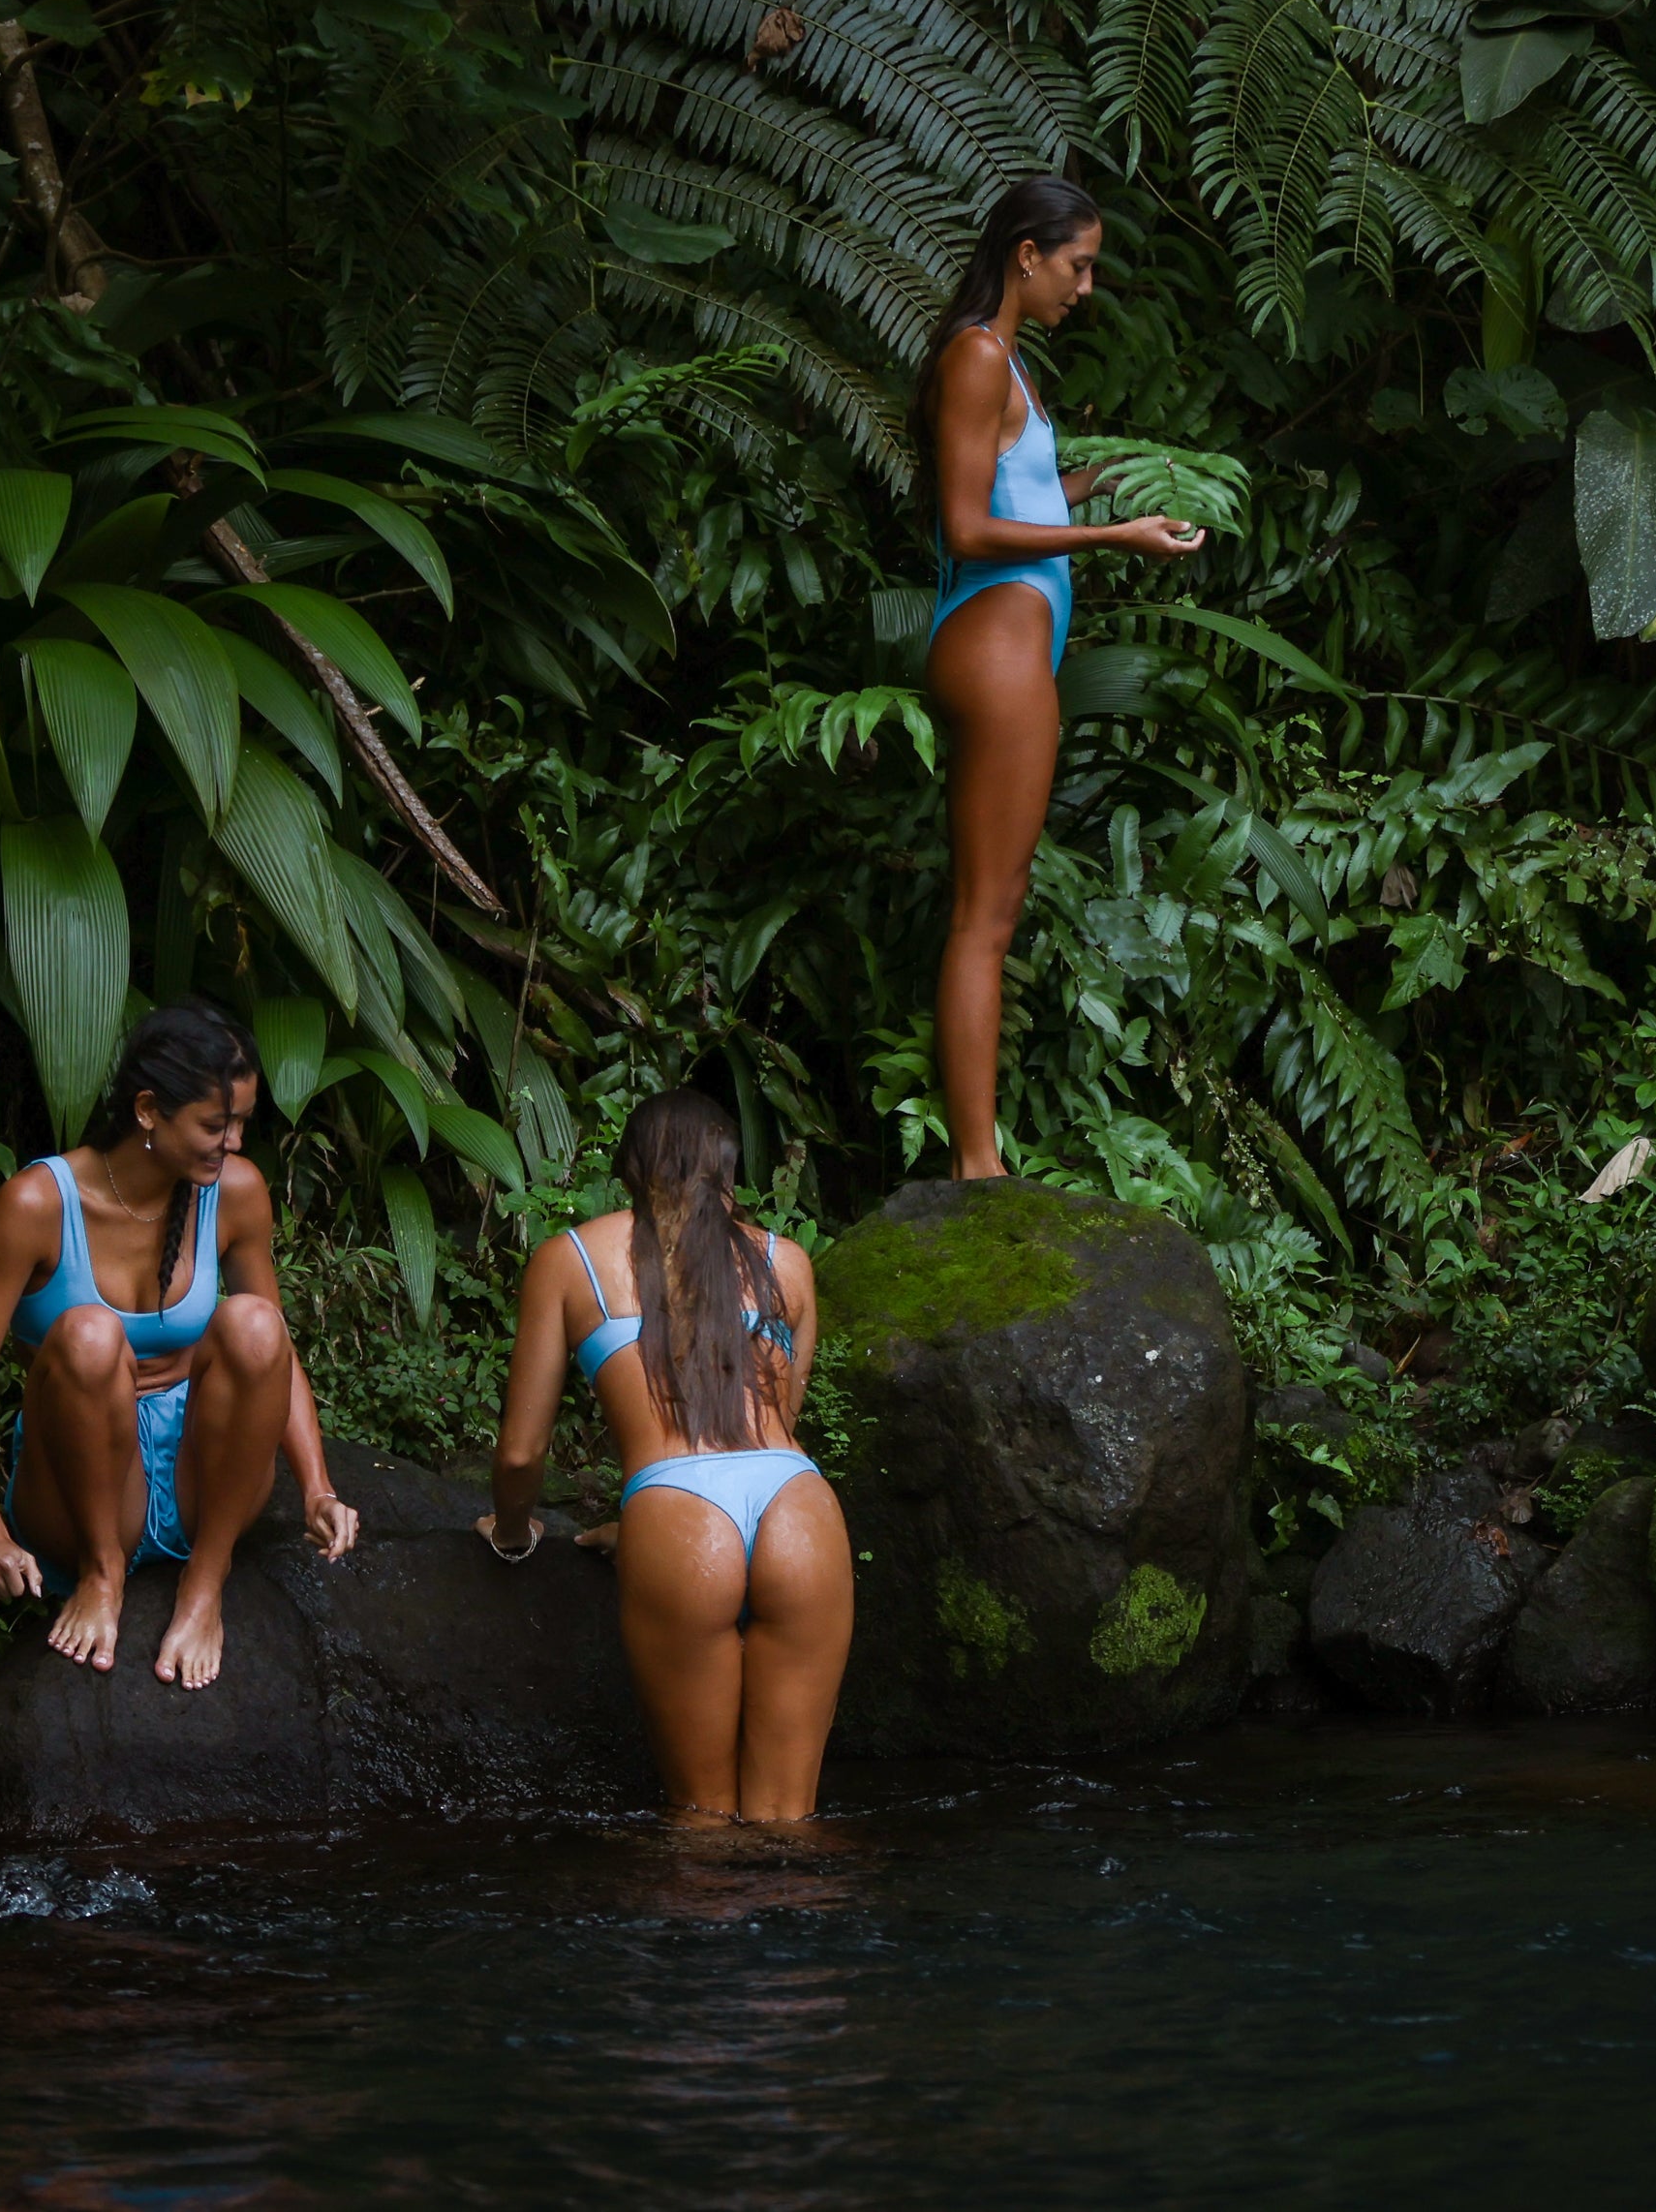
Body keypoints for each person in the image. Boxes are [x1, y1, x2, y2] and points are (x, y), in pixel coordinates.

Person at [917, 175, 1208, 1182]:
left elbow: (1021, 492)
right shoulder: (975, 356)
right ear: (1026, 254)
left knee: (994, 907)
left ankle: (978, 1156)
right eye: (1077, 263)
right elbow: (965, 524)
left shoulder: (1009, 364)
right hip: (992, 646)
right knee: (983, 918)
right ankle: (976, 1165)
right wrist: (1109, 536)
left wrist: (1112, 483)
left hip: (1013, 642)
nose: (1085, 285)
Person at [0, 1002, 360, 1684]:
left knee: (254, 1321)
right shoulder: (37, 1204)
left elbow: (276, 1353)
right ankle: (103, 1576)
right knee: (88, 1333)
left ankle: (206, 1580)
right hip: (81, 1483)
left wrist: (316, 1488)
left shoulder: (238, 1193)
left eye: (243, 1122)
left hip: (204, 1476)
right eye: (215, 1124)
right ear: (147, 1110)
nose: (234, 1143)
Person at [483, 1091, 850, 1823]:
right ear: (728, 1168)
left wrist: (514, 1533)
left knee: (702, 1826)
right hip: (797, 1506)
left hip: (679, 1520)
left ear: (628, 1169)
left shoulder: (571, 1259)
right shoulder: (789, 1262)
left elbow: (523, 1453)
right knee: (791, 1824)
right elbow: (778, 1420)